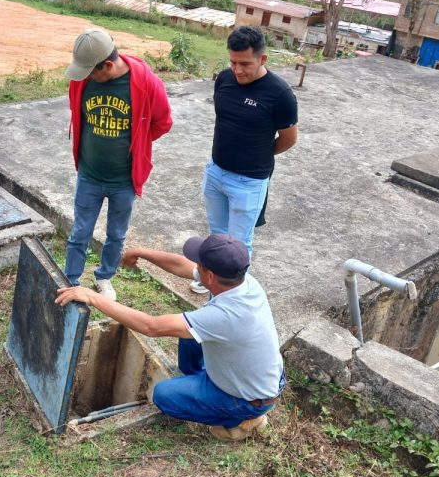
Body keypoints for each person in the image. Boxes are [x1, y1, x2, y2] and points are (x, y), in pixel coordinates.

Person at [55, 234, 285, 441]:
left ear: (211, 276)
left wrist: (92, 297)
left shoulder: (225, 315)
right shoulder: (241, 281)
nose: (195, 266)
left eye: (200, 264)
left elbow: (151, 326)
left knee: (164, 395)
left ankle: (240, 422)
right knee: (190, 334)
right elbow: (181, 265)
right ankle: (202, 384)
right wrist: (142, 252)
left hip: (247, 399)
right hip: (261, 378)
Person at [64, 28, 173, 302]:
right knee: (80, 231)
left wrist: (138, 142)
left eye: (91, 72)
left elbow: (163, 122)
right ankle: (70, 280)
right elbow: (78, 113)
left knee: (116, 234)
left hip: (123, 179)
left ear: (108, 65)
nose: (87, 77)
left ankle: (104, 277)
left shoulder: (146, 83)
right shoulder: (82, 81)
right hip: (89, 174)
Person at [193, 26, 298, 295]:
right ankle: (210, 280)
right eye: (233, 62)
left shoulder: (280, 94)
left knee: (239, 245)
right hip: (216, 172)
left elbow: (289, 138)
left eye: (245, 64)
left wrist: (260, 152)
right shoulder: (225, 79)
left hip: (249, 181)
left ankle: (233, 296)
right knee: (217, 235)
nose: (238, 70)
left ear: (262, 60)